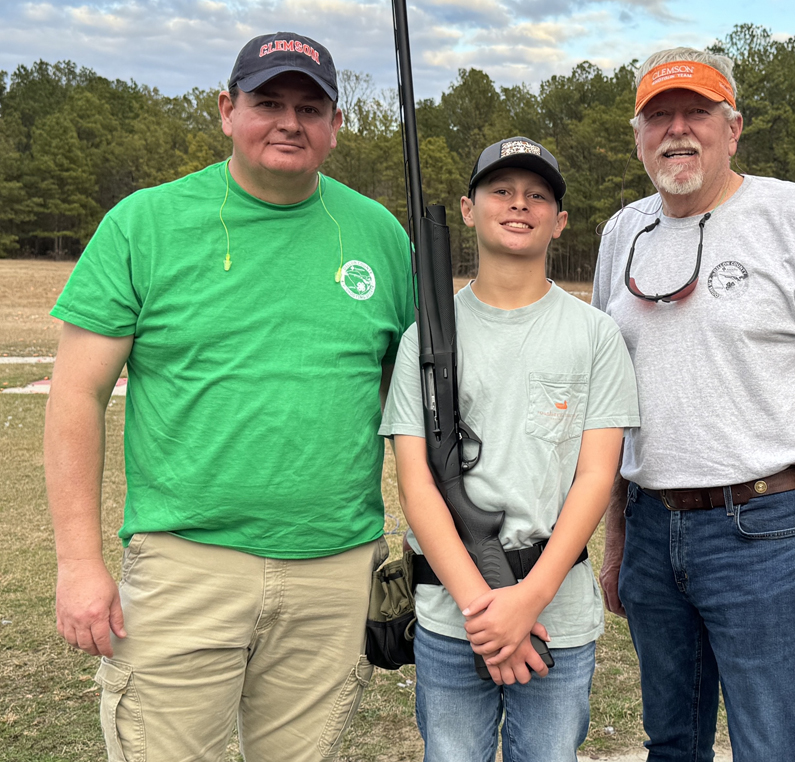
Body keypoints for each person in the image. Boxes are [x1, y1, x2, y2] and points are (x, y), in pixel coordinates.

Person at [44, 32, 413, 762]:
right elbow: (76, 395)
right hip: (187, 564)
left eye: (311, 107)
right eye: (267, 101)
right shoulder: (144, 224)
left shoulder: (380, 236)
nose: (289, 121)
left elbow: (411, 408)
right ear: (225, 109)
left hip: (335, 570)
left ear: (336, 125)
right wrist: (78, 562)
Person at [591, 47, 795, 761]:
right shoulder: (620, 232)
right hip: (654, 532)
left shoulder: (793, 214)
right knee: (672, 740)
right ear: (638, 136)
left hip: (765, 528)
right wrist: (618, 541)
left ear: (733, 128)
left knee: (768, 743)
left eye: (696, 113)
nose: (678, 130)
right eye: (659, 116)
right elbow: (609, 395)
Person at [380, 136, 640, 761]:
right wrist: (485, 610)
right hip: (451, 619)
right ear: (468, 209)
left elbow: (595, 479)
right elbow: (417, 486)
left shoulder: (595, 335)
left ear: (560, 220)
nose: (518, 204)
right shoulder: (425, 338)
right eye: (500, 190)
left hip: (560, 615)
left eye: (536, 195)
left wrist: (525, 602)